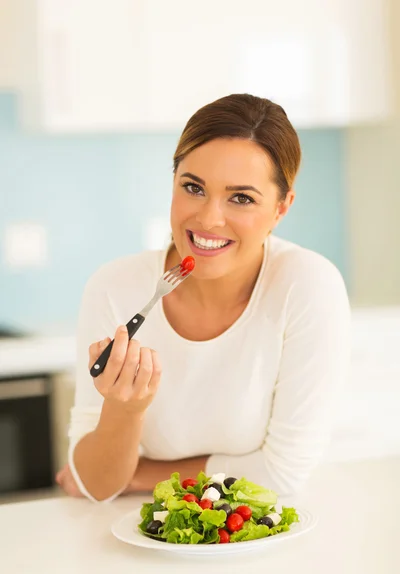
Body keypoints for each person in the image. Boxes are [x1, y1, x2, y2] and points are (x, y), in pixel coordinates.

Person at [56, 93, 351, 502]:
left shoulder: (307, 286)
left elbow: (282, 476)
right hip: (134, 537)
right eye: (193, 187)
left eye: (242, 198)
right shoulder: (116, 288)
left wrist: (140, 474)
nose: (209, 218)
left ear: (281, 208)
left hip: (258, 537)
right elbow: (93, 484)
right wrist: (125, 411)